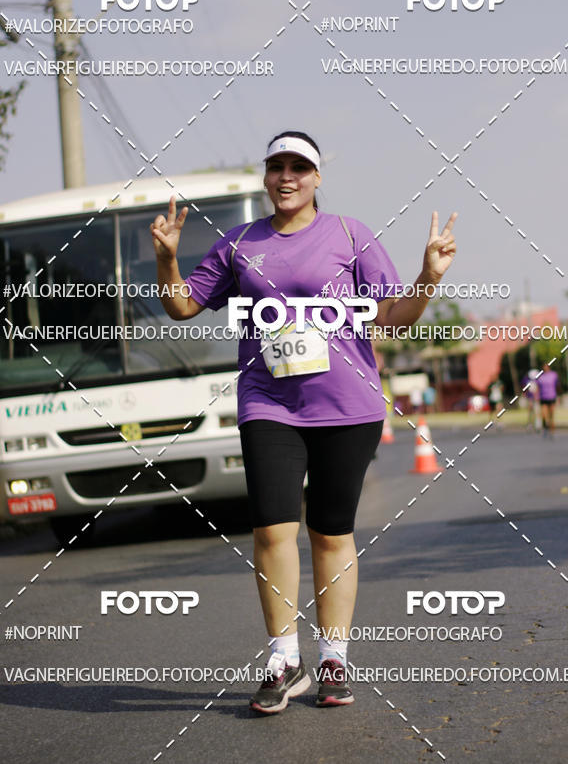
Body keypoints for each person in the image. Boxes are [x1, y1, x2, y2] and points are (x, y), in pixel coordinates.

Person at [150, 130, 458, 713]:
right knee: (271, 529)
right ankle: (282, 659)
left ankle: (334, 658)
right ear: (266, 178)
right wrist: (167, 256)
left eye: (299, 167)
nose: (286, 176)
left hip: (347, 407)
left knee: (330, 532)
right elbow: (183, 304)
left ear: (317, 178)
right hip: (269, 405)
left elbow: (393, 318)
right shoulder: (239, 243)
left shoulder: (349, 235)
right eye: (276, 167)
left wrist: (429, 279)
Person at [537, 363, 559, 436]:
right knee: (544, 414)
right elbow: (537, 388)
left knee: (551, 414)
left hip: (552, 397)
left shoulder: (554, 375)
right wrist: (537, 397)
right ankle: (545, 427)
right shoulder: (540, 377)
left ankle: (552, 430)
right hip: (543, 397)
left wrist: (558, 396)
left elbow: (557, 386)